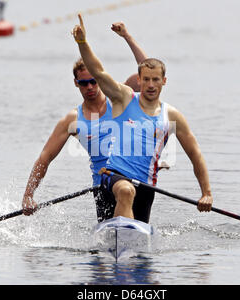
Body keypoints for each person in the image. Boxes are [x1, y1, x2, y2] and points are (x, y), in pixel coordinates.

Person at [72, 14, 213, 223]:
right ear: (139, 80)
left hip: (146, 186)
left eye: (156, 79)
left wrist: (206, 192)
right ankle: (121, 238)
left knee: (138, 225)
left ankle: (127, 242)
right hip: (114, 177)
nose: (150, 84)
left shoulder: (171, 116)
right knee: (126, 192)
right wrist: (83, 43)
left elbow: (195, 154)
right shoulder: (123, 99)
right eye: (146, 79)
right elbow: (99, 72)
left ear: (164, 81)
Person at [22, 22, 148, 221]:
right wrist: (28, 195)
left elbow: (149, 72)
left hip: (134, 179)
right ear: (76, 83)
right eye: (83, 83)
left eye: (93, 81)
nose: (89, 87)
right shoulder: (72, 120)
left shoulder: (119, 98)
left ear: (100, 79)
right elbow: (45, 158)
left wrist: (127, 36)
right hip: (103, 186)